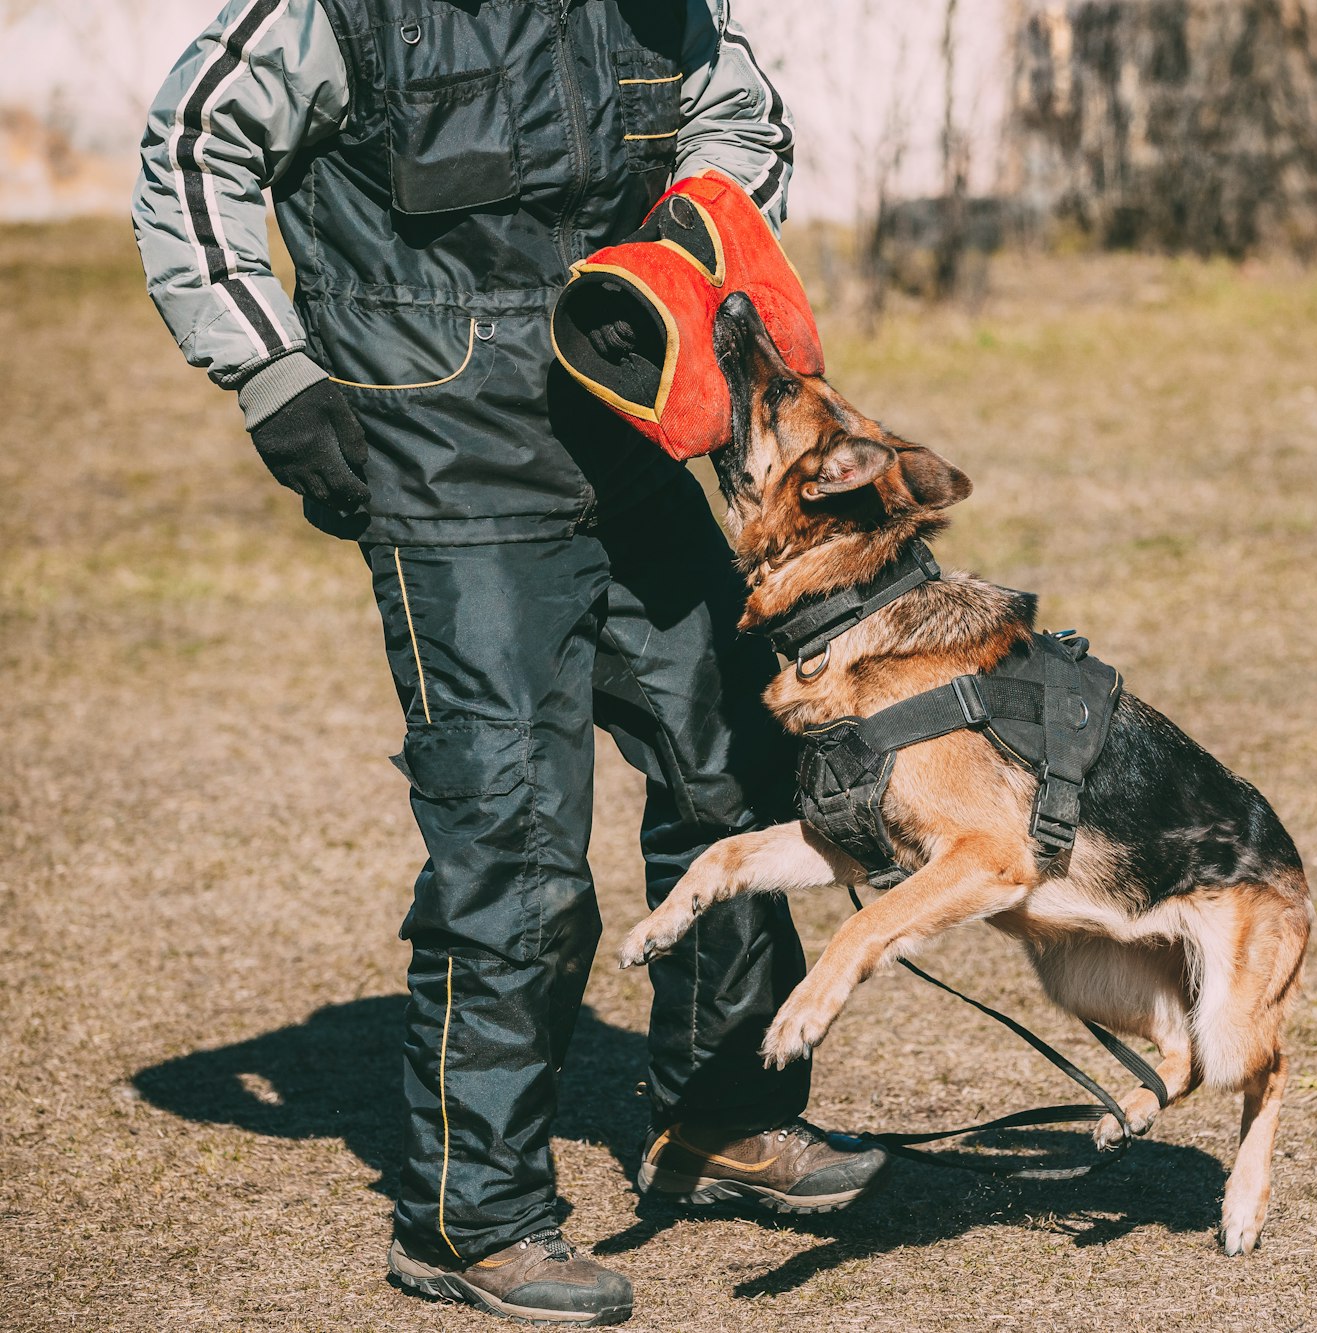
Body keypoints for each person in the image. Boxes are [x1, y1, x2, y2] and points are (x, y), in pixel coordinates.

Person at [133, 1, 887, 1323]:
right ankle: (470, 1217)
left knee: (743, 763)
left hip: (636, 441)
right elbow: (195, 150)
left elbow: (740, 118)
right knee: (519, 842)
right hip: (447, 470)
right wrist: (273, 375)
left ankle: (721, 1116)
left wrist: (687, 254)